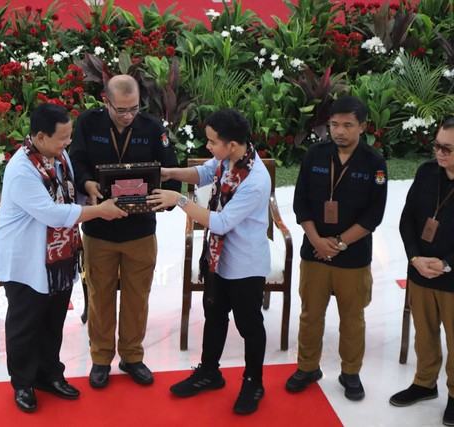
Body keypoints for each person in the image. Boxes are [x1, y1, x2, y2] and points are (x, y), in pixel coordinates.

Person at [0, 103, 127, 413]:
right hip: (27, 260)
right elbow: (52, 213)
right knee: (25, 324)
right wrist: (98, 212)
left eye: (69, 136)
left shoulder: (58, 156)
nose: (69, 143)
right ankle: (23, 383)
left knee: (53, 321)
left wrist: (88, 192)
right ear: (41, 137)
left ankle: (49, 374)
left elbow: (65, 195)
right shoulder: (21, 170)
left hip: (59, 257)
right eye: (63, 138)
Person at [147, 109, 271, 414]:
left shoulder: (254, 179)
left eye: (213, 142)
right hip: (217, 259)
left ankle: (254, 381)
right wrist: (170, 173)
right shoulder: (228, 161)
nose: (209, 147)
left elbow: (221, 222)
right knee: (214, 317)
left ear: (232, 144)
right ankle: (209, 372)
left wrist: (178, 200)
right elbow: (204, 172)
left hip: (245, 265)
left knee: (249, 325)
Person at [69, 74, 181, 388]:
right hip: (99, 227)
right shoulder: (88, 124)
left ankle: (132, 356)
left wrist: (164, 200)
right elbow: (75, 161)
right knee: (100, 296)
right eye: (121, 110)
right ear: (106, 102)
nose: (128, 116)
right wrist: (87, 184)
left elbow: (170, 173)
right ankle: (101, 359)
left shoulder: (152, 128)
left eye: (133, 108)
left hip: (140, 230)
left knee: (137, 296)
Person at [285, 95, 387, 401]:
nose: (339, 131)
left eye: (347, 125)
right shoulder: (315, 154)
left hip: (353, 256)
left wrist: (340, 243)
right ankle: (307, 367)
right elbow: (300, 201)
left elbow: (374, 214)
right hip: (314, 252)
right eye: (333, 124)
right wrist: (316, 240)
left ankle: (351, 372)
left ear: (362, 127)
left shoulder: (374, 163)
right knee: (310, 314)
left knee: (352, 317)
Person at [390, 117, 454, 426]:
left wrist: (445, 263)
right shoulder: (427, 172)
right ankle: (425, 383)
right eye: (436, 145)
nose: (439, 153)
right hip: (420, 271)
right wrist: (415, 257)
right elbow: (407, 221)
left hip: (451, 275)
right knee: (425, 334)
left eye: (447, 148)